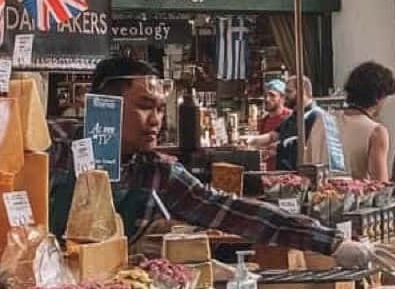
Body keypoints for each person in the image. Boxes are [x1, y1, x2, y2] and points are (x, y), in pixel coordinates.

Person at [48, 58, 341, 253]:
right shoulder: (53, 145)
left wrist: (330, 242)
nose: (156, 120)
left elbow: (232, 210)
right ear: (104, 104)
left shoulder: (157, 173)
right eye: (145, 106)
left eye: (160, 109)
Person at [337, 62, 395, 183]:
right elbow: (380, 184)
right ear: (379, 97)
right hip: (354, 194)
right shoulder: (376, 131)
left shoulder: (322, 120)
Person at [258, 80, 292, 170]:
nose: (267, 99)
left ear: (282, 98)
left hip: (284, 172)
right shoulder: (264, 120)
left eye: (272, 95)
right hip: (267, 172)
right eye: (265, 96)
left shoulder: (291, 118)